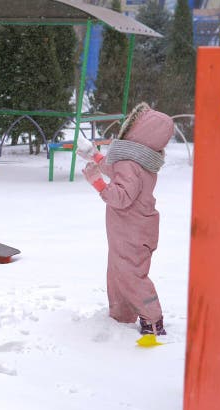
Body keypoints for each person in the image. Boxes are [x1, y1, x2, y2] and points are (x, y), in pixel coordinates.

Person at [77, 102, 174, 336]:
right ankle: (121, 314)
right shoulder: (139, 161)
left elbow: (121, 197)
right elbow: (118, 170)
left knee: (131, 275)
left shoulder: (131, 163)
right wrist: (94, 154)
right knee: (118, 273)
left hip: (132, 233)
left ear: (138, 132)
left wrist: (97, 182)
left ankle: (153, 320)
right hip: (131, 232)